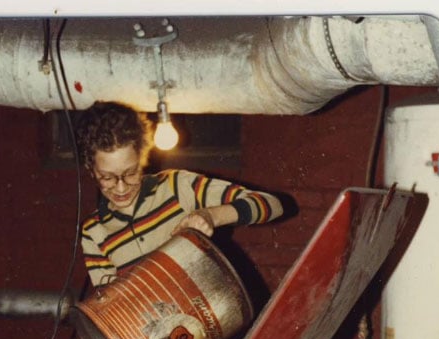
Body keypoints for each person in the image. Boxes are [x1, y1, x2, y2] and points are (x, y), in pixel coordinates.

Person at [74, 100, 286, 286]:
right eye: (107, 178)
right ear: (91, 169)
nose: (121, 188)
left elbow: (272, 205)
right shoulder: (93, 231)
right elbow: (111, 305)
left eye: (130, 173)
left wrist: (211, 216)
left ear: (143, 158)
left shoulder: (176, 186)